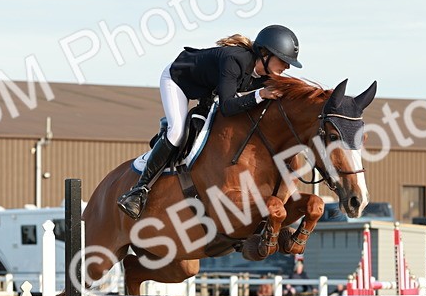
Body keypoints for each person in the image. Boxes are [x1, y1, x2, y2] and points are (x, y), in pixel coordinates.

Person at [116, 24, 303, 219]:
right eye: (283, 60)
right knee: (177, 132)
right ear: (264, 54)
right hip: (178, 80)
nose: (287, 67)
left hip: (208, 90)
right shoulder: (235, 60)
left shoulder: (264, 75)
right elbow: (228, 107)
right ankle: (138, 191)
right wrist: (260, 94)